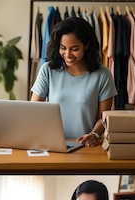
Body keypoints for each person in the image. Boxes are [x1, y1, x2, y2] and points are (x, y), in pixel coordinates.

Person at [30, 17, 117, 147]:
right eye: (63, 48)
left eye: (74, 49)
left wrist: (94, 134)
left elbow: (104, 118)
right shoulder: (48, 70)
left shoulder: (103, 75)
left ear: (86, 45)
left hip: (86, 146)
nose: (68, 54)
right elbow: (33, 110)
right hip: (52, 144)